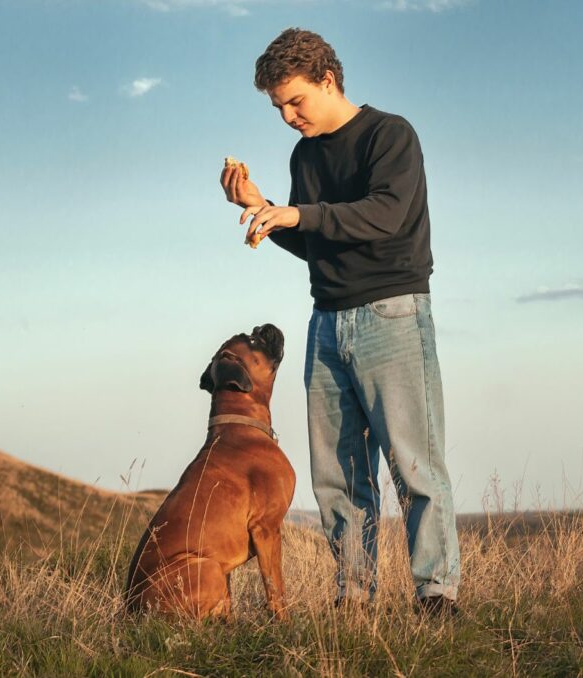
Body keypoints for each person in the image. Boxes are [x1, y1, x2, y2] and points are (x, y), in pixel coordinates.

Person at [219, 28, 460, 614]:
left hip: (392, 313)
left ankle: (436, 598)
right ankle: (354, 599)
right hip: (326, 322)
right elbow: (316, 241)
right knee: (338, 477)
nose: (288, 116)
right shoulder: (305, 156)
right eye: (278, 107)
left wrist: (296, 212)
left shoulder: (389, 135)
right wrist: (262, 210)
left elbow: (383, 214)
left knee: (414, 466)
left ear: (328, 80)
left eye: (295, 100)